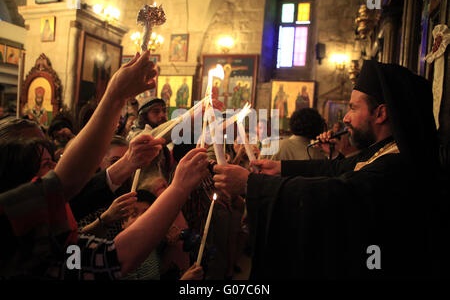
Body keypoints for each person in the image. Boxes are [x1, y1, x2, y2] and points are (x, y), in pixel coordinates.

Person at [212, 60, 441, 279]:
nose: (346, 118)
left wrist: (251, 184)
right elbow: (335, 167)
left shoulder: (398, 164)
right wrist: (280, 167)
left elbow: (339, 193)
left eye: (352, 108)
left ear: (380, 113)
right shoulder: (382, 150)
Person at [0, 50, 209, 279]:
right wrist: (178, 188)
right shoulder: (18, 234)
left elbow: (113, 255)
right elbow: (117, 256)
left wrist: (128, 161)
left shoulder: (54, 234)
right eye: (46, 165)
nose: (54, 172)